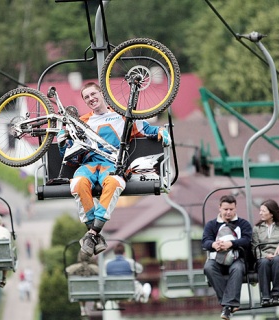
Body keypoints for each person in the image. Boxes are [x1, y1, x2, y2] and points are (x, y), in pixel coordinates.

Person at [57, 82, 171, 257]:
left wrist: (162, 131)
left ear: (102, 94)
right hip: (89, 165)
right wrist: (62, 141)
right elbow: (69, 153)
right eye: (86, 97)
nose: (91, 99)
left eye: (93, 94)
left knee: (114, 182)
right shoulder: (83, 122)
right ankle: (95, 233)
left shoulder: (122, 117)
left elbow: (147, 129)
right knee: (78, 184)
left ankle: (91, 234)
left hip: (112, 165)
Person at [202, 195, 252, 320]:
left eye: (231, 209)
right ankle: (230, 303)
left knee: (238, 269)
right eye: (225, 209)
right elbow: (205, 242)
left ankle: (226, 306)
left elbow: (247, 240)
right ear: (220, 208)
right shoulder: (212, 225)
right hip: (217, 259)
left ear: (235, 208)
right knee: (208, 267)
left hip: (237, 259)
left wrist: (232, 244)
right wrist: (214, 244)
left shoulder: (243, 224)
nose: (228, 212)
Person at [66, 250, 100, 317]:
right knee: (97, 285)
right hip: (93, 292)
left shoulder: (73, 268)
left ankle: (83, 308)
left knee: (81, 289)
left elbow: (66, 271)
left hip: (80, 292)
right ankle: (97, 302)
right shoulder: (95, 268)